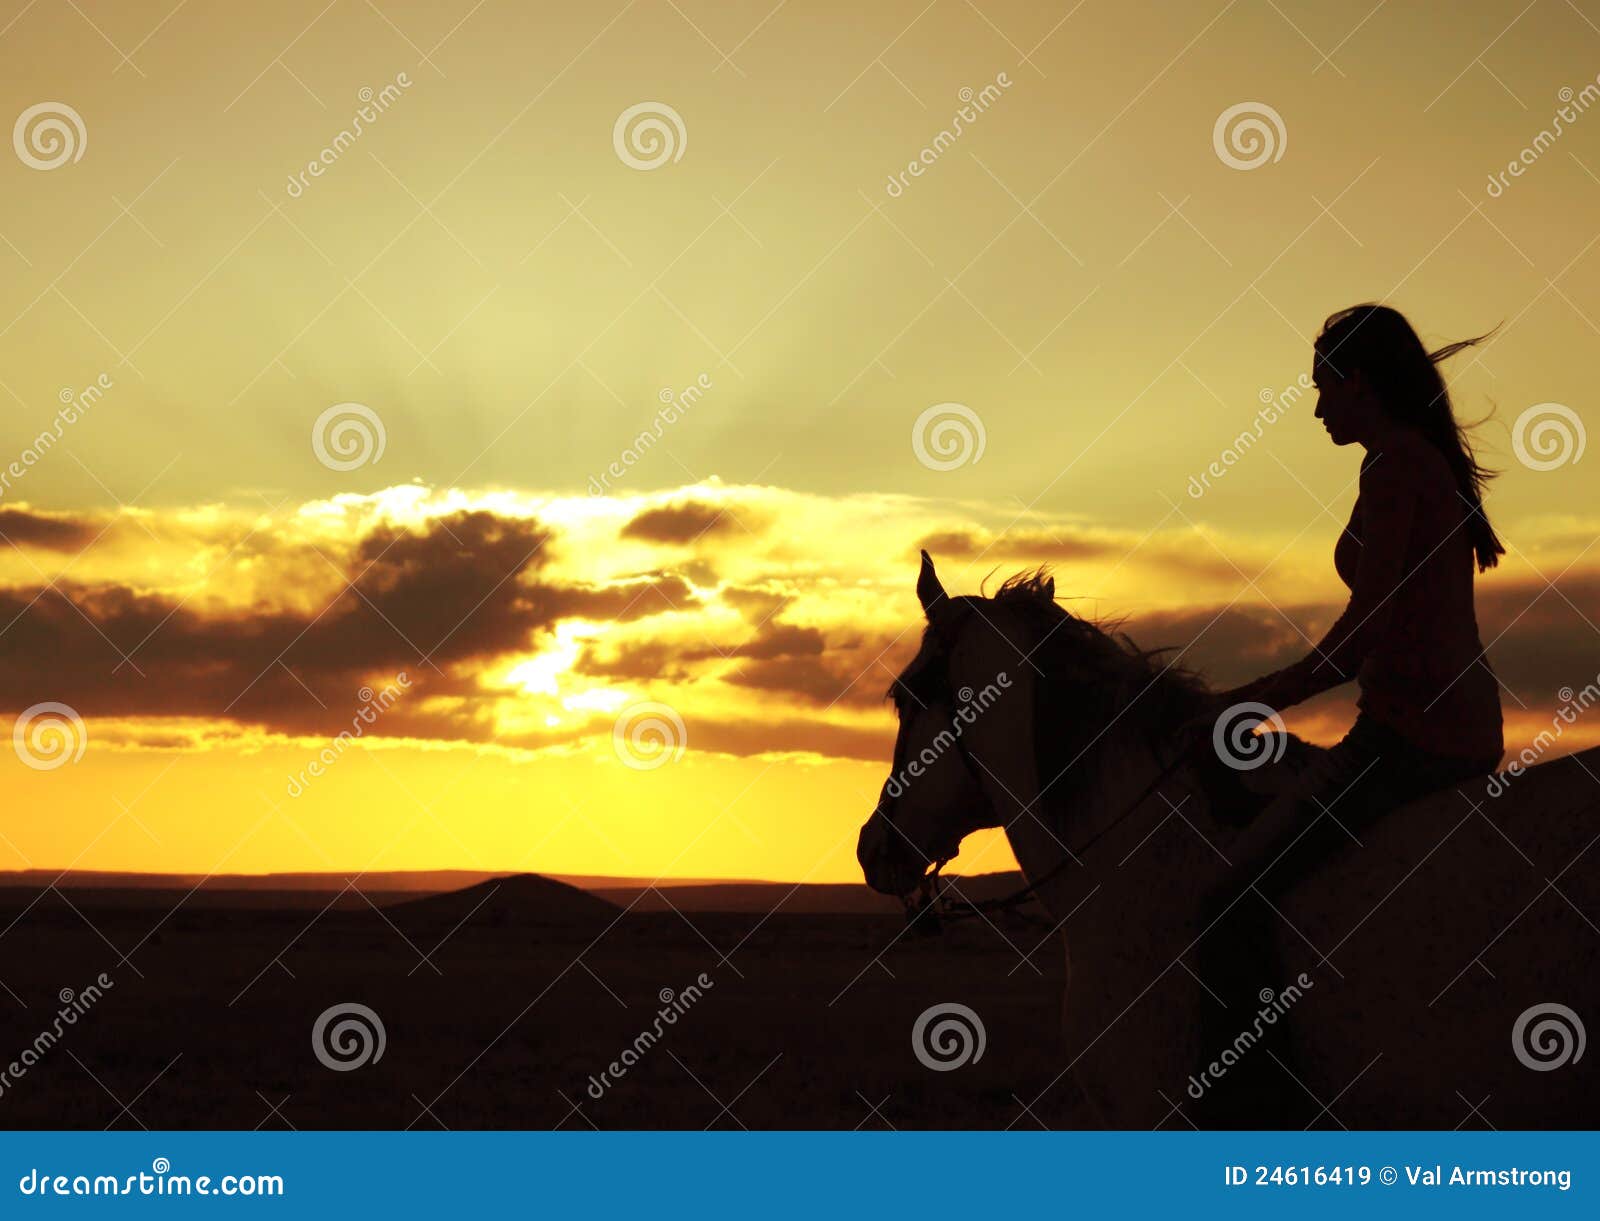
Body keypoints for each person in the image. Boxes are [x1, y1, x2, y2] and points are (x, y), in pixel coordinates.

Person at [1192, 303, 1506, 1126]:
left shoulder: (1397, 465)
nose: (1319, 407)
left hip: (1412, 738)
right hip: (1429, 724)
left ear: (1358, 381)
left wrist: (1247, 702)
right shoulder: (1415, 459)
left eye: (1324, 388)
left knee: (1226, 905)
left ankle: (1256, 1112)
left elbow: (1361, 634)